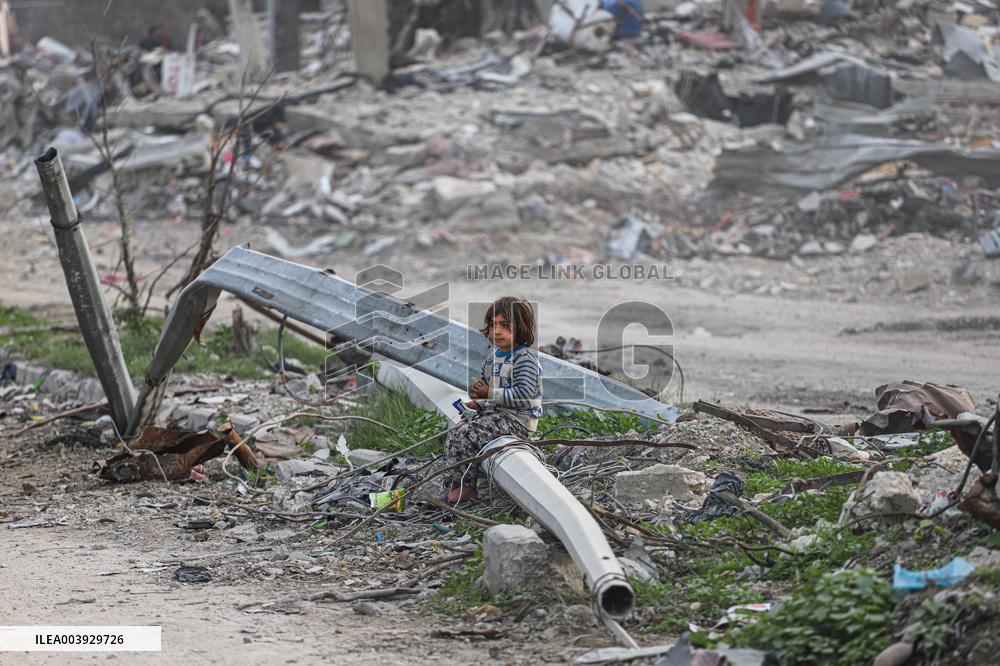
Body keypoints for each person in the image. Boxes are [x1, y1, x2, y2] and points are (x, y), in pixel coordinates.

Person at [439, 296, 543, 504]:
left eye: (505, 326)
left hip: (517, 422)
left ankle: (467, 489)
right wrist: (478, 402)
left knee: (468, 435)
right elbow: (490, 395)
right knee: (456, 433)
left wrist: (489, 394)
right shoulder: (491, 360)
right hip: (495, 416)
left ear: (521, 328)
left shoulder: (525, 361)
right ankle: (454, 487)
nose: (496, 331)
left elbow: (523, 397)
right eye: (493, 325)